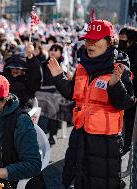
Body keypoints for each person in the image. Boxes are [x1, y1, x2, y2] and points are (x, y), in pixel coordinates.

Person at [47, 20, 135, 189]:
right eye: (88, 40)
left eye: (95, 40)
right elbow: (73, 94)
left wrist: (115, 85)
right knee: (74, 181)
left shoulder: (119, 67)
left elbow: (125, 103)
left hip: (104, 145)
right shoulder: (82, 66)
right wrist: (59, 78)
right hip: (79, 138)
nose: (90, 44)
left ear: (109, 42)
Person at [3, 42, 41, 111]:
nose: (14, 70)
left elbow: (35, 75)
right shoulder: (5, 80)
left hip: (23, 112)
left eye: (18, 68)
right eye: (12, 68)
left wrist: (30, 57)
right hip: (6, 112)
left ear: (24, 70)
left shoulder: (28, 82)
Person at [118, 26, 137, 154]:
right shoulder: (121, 50)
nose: (121, 42)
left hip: (133, 89)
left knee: (129, 118)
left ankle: (127, 143)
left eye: (123, 39)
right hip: (120, 87)